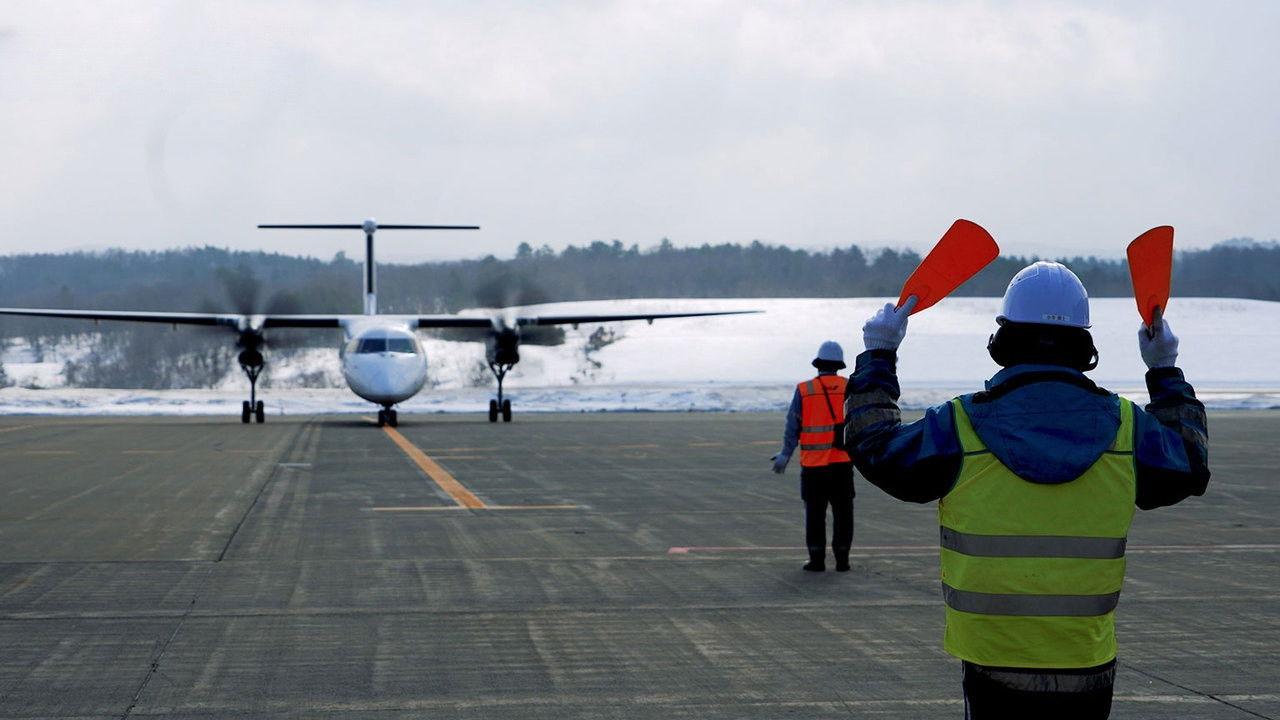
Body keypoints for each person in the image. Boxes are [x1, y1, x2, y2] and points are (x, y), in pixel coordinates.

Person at [844, 262, 1210, 718]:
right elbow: (1190, 465)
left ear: (1003, 339)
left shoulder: (959, 425)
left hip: (991, 655)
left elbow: (876, 447)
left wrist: (879, 355)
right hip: (1086, 658)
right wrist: (1164, 371)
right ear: (1084, 342)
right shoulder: (1130, 428)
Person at [772, 340, 855, 572]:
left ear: (818, 364)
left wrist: (785, 454)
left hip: (813, 467)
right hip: (842, 465)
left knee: (815, 515)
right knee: (843, 514)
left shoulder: (804, 390)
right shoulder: (850, 387)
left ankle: (817, 560)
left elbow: (792, 426)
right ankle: (842, 560)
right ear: (839, 365)